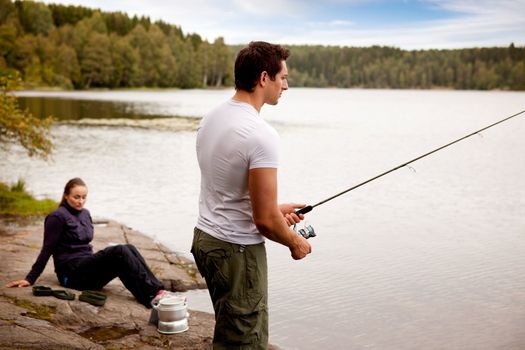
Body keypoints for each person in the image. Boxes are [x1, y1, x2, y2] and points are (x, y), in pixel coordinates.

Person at [191, 41, 312, 349]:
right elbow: (265, 222)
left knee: (228, 330)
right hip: (237, 252)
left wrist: (275, 208)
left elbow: (228, 189)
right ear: (263, 78)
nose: (285, 85)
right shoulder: (262, 135)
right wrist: (295, 242)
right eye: (282, 77)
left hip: (206, 240)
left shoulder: (213, 117)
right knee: (245, 342)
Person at [5, 177, 166, 308]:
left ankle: (155, 293)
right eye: (76, 197)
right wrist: (30, 279)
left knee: (127, 248)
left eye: (83, 197)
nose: (80, 201)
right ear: (66, 195)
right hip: (72, 275)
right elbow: (47, 250)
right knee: (119, 251)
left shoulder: (85, 214)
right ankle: (153, 294)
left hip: (88, 269)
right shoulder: (57, 217)